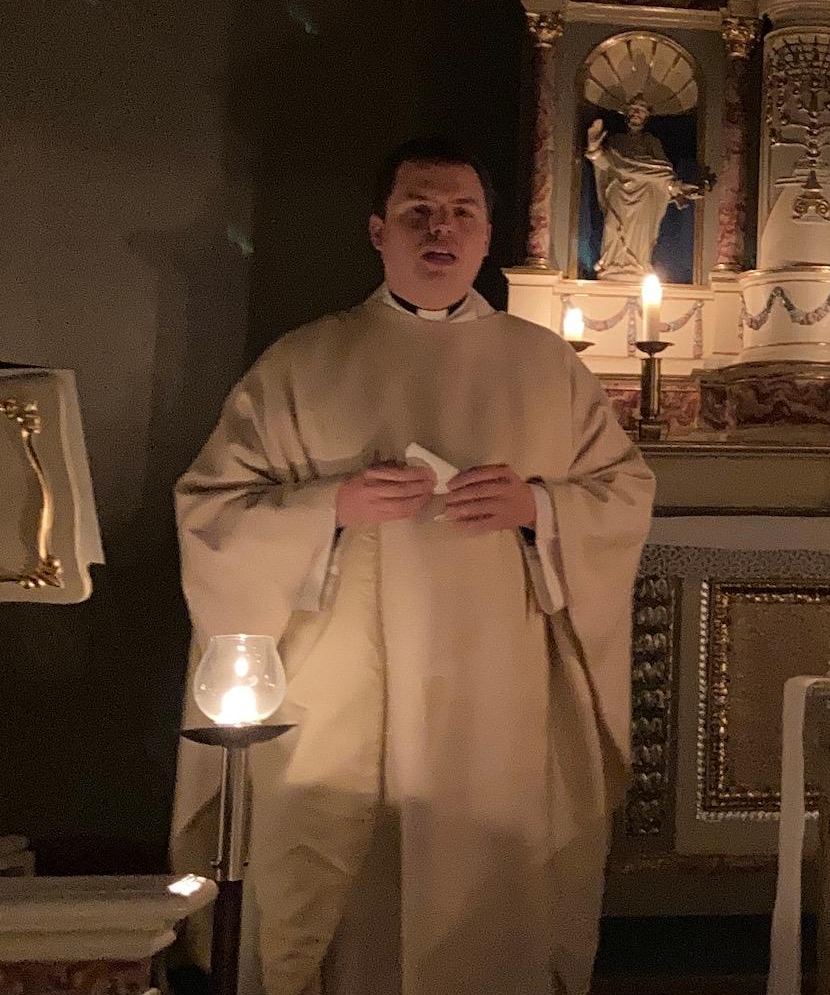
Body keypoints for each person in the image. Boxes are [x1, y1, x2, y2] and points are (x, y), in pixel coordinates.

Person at [170, 136, 655, 995]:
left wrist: (539, 508)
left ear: (487, 234)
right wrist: (330, 509)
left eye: (463, 213)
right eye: (418, 212)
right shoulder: (301, 364)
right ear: (377, 231)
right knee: (341, 890)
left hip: (497, 698)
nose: (442, 230)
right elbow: (210, 516)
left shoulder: (547, 366)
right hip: (338, 691)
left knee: (483, 893)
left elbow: (621, 492)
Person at [586, 97, 706, 279]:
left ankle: (637, 265)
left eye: (641, 111)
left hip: (644, 197)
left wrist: (676, 189)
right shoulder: (616, 141)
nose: (636, 114)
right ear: (627, 113)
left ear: (646, 116)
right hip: (619, 191)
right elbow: (605, 165)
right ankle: (611, 263)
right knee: (612, 225)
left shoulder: (652, 143)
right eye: (634, 109)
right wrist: (594, 148)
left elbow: (663, 173)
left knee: (640, 233)